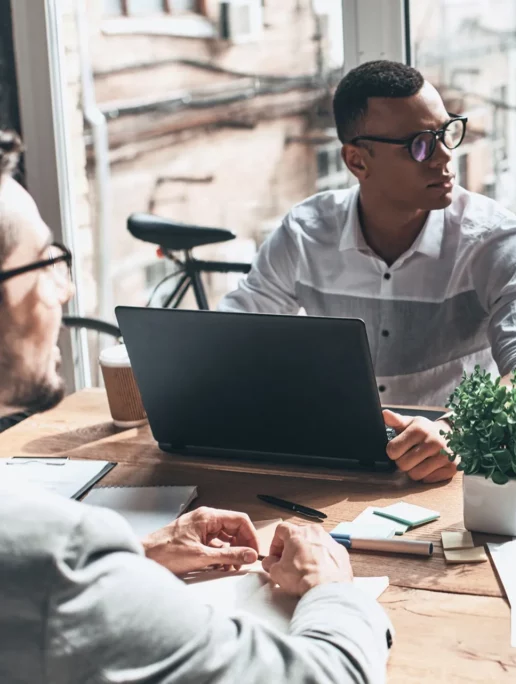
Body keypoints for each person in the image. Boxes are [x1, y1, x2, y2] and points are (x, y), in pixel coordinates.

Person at [0, 130, 392, 684]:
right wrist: (332, 590)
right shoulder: (54, 558)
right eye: (46, 261)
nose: (62, 291)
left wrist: (137, 556)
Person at [220, 60, 516, 483]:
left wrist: (455, 429)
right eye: (419, 144)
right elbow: (229, 338)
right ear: (357, 161)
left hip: (452, 473)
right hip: (332, 466)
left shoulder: (495, 238)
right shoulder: (305, 232)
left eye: (446, 133)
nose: (444, 156)